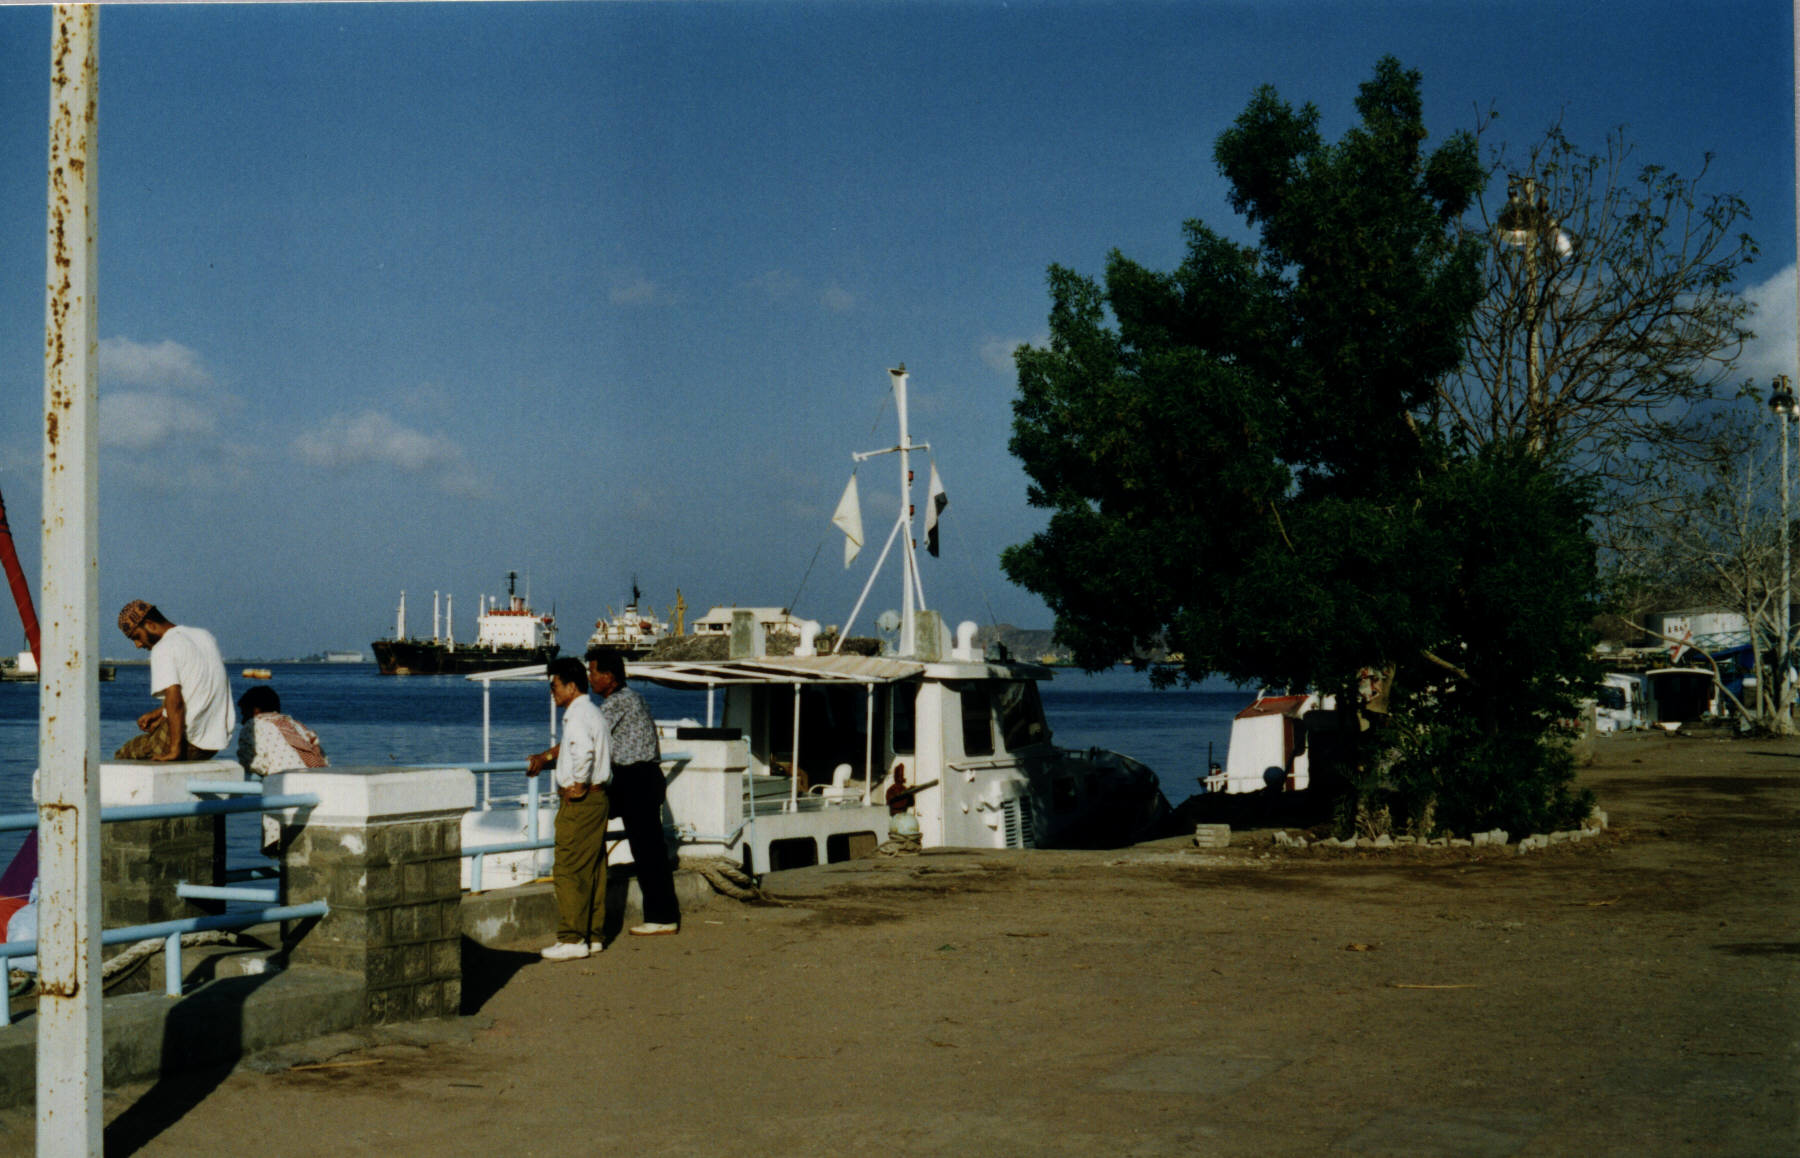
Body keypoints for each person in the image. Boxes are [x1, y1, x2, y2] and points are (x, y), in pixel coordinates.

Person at [587, 647, 680, 935]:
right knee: (649, 848)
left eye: (593, 672)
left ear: (609, 676)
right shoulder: (633, 698)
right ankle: (663, 914)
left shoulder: (616, 703)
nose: (590, 678)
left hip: (635, 779)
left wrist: (549, 756)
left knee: (647, 850)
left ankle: (662, 917)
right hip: (643, 778)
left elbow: (589, 737)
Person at [526, 655, 611, 961]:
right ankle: (594, 934)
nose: (553, 692)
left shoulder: (576, 716)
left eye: (555, 685)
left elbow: (583, 752)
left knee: (568, 866)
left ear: (571, 686)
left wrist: (578, 782)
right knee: (594, 867)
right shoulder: (593, 712)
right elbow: (581, 748)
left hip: (582, 801)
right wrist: (547, 758)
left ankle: (572, 938)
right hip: (599, 798)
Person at [114, 600, 236, 762]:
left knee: (124, 754)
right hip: (212, 744)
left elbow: (175, 699)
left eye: (136, 637)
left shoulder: (163, 648)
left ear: (149, 624)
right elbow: (195, 690)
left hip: (189, 741)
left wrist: (174, 751)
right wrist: (160, 714)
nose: (137, 645)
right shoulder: (204, 636)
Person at [235, 684, 328, 855]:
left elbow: (255, 762)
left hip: (287, 794)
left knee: (283, 849)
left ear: (255, 711)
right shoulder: (295, 725)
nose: (242, 720)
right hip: (318, 786)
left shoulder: (254, 725)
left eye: (244, 713)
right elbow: (320, 753)